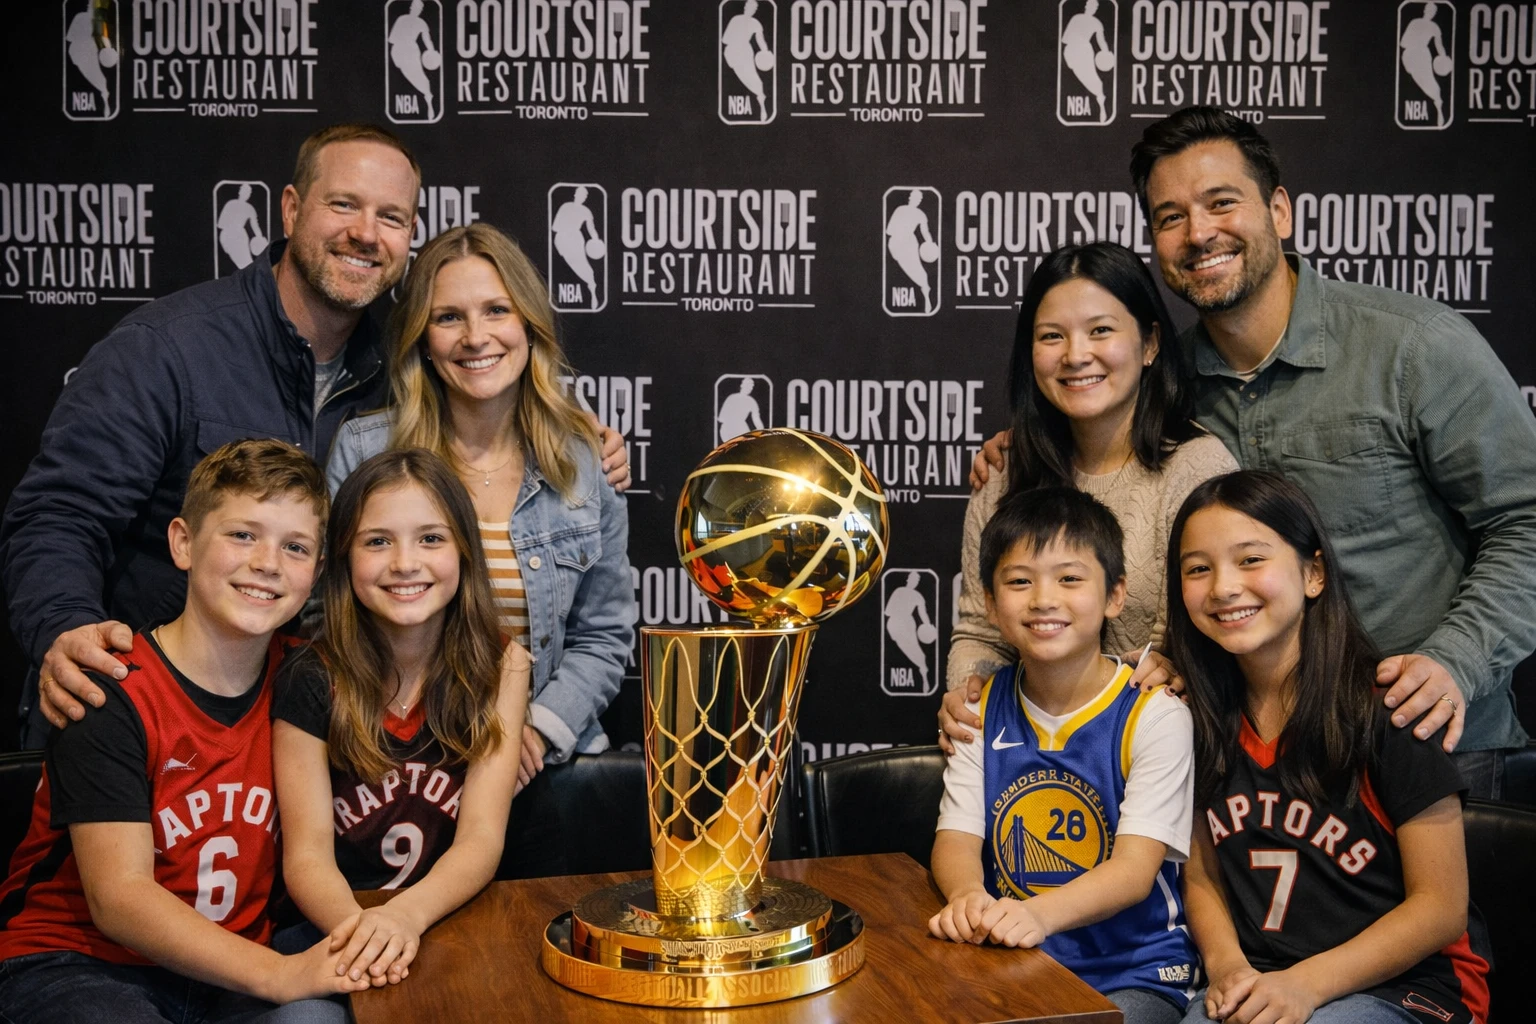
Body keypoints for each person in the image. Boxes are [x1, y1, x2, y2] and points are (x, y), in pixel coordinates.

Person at [2, 123, 629, 746]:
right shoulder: (167, 350)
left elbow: (493, 383)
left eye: (391, 216)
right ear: (292, 208)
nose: (365, 232)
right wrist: (65, 628)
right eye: (344, 204)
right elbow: (59, 513)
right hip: (136, 713)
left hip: (294, 742)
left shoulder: (404, 370)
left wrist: (576, 435)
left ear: (409, 235)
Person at [971, 107, 1536, 799]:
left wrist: (1456, 661)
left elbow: (1527, 520)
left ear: (1280, 211)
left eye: (1221, 203)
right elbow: (1094, 431)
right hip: (1256, 774)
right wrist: (1026, 444)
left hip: (1436, 745)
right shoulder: (1164, 389)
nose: (1199, 232)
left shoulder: (1412, 348)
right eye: (1170, 216)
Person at [0, 439, 368, 1023]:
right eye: (242, 535)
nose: (267, 562)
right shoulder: (107, 685)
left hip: (234, 967)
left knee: (318, 1018)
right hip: (82, 964)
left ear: (318, 571)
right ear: (183, 542)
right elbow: (119, 900)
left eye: (294, 546)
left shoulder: (307, 679)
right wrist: (279, 974)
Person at [325, 223, 633, 857]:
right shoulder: (366, 451)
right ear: (422, 340)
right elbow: (326, 617)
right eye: (448, 317)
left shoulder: (582, 461)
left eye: (497, 310)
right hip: (405, 781)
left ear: (529, 324)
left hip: (550, 779)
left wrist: (534, 733)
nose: (476, 337)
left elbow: (604, 635)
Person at [1168, 471, 1489, 1024]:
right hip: (1262, 980)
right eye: (1198, 568)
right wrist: (1227, 970)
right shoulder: (1189, 717)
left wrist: (1306, 986)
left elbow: (1440, 909)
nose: (1222, 587)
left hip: (1406, 987)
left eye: (1250, 560)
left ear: (1314, 573)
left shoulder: (1388, 709)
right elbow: (1200, 874)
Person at [941, 243, 1236, 753]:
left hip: (1156, 752)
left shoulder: (1198, 469)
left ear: (1149, 344)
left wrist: (1178, 668)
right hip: (1024, 758)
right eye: (1052, 336)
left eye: (1101, 330)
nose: (1076, 355)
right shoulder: (1003, 473)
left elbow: (1208, 637)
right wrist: (967, 699)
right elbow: (980, 633)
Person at [931, 488, 1197, 1024]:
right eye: (1019, 580)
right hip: (1016, 957)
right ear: (989, 600)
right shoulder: (981, 708)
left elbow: (1132, 873)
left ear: (1115, 595)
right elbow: (957, 837)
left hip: (1135, 972)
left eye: (1070, 579)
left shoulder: (1155, 714)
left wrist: (1035, 914)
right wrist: (966, 896)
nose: (1043, 599)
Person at [273, 449, 529, 989]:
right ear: (343, 557)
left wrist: (405, 919)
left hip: (444, 919)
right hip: (329, 932)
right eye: (377, 541)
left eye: (431, 538)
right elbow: (306, 857)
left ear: (464, 550)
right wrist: (365, 936)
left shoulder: (503, 665)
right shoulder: (310, 674)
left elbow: (481, 839)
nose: (405, 562)